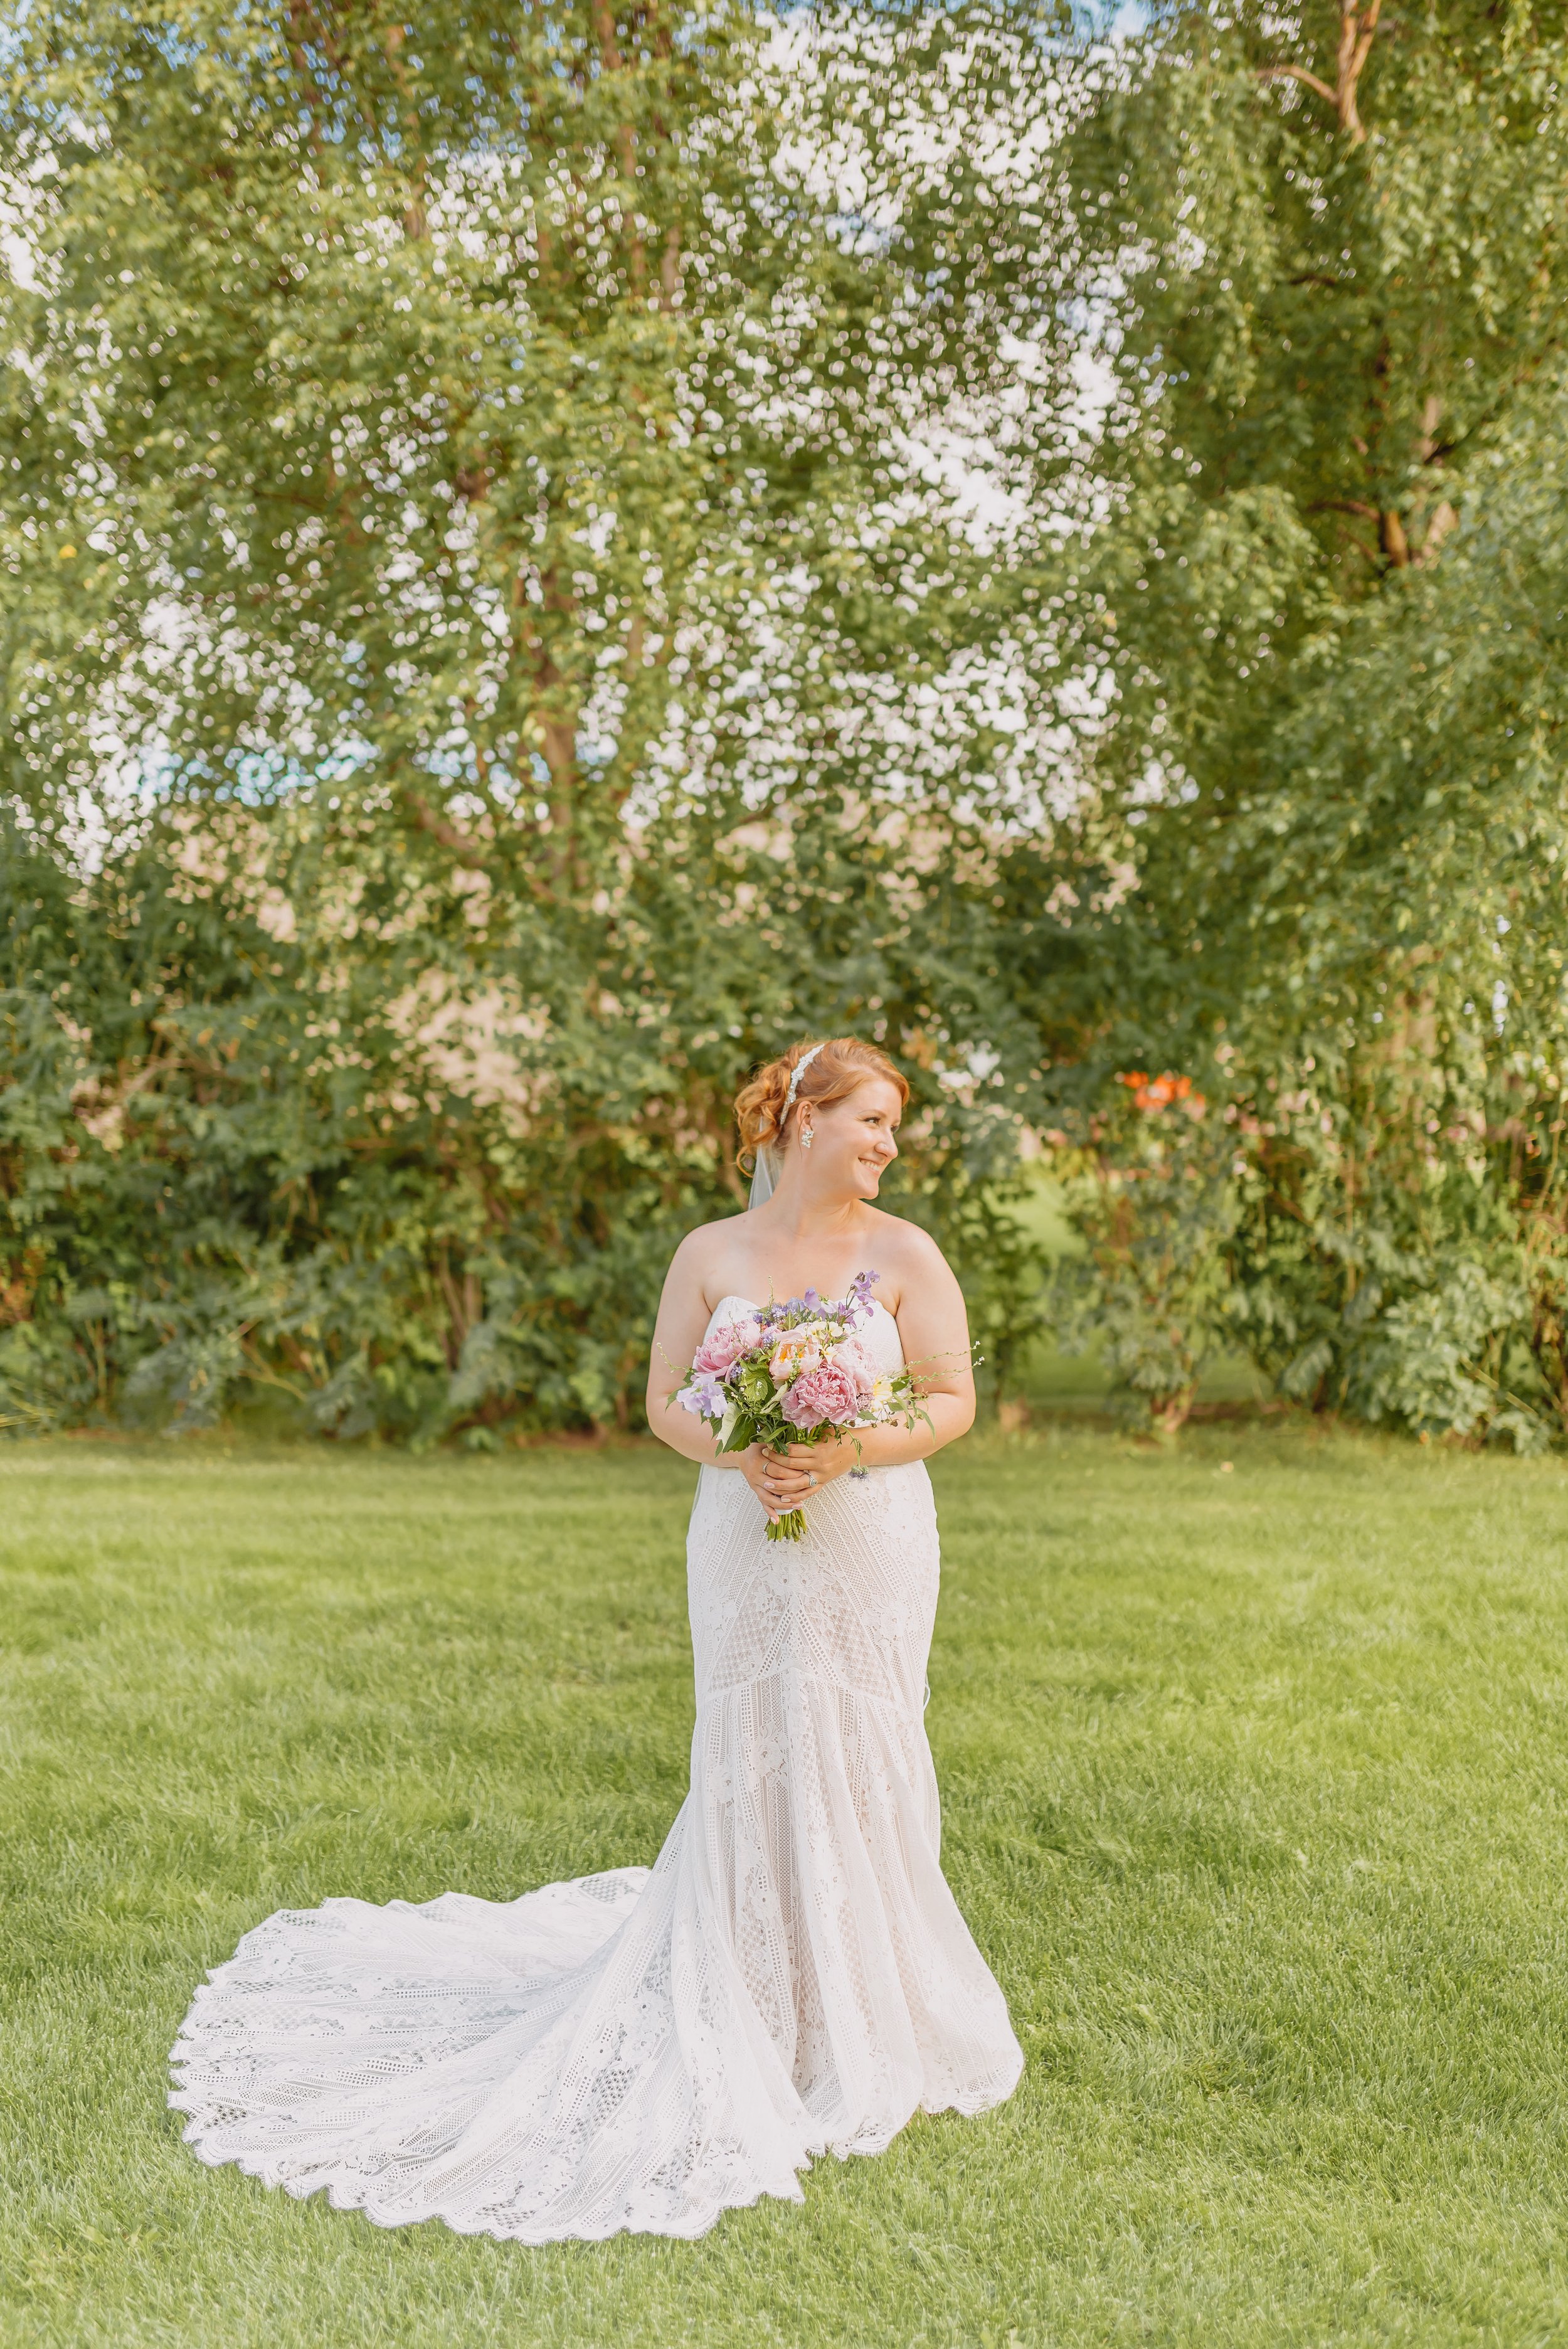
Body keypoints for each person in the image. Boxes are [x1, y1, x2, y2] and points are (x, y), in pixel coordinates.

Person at [169, 1037, 1022, 2243]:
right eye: (872, 1119)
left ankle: (863, 2005)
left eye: (894, 1125)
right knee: (755, 1738)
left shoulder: (908, 1253)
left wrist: (844, 1446)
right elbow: (666, 1400)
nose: (889, 1143)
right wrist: (744, 1448)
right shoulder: (711, 1252)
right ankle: (750, 1990)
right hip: (742, 1531)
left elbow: (950, 1399)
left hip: (868, 1537)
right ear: (804, 1119)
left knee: (860, 1734)